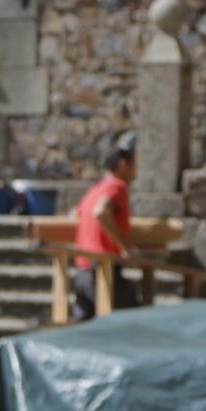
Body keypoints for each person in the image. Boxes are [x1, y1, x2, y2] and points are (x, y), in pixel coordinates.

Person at [71, 132, 140, 322]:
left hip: (83, 272)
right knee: (134, 322)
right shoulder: (116, 187)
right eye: (135, 162)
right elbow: (100, 212)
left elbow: (76, 213)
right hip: (101, 271)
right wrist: (124, 247)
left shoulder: (94, 190)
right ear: (123, 164)